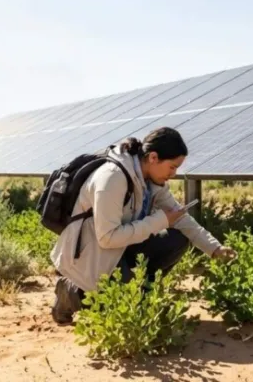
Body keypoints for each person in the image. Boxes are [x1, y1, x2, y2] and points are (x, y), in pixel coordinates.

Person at [49, 127, 236, 324]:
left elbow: (180, 217)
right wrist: (159, 221)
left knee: (178, 239)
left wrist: (215, 248)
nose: (174, 174)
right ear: (153, 157)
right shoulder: (112, 177)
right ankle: (70, 293)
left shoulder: (151, 181)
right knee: (121, 306)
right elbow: (107, 238)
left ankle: (142, 295)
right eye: (172, 167)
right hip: (93, 253)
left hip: (120, 246)